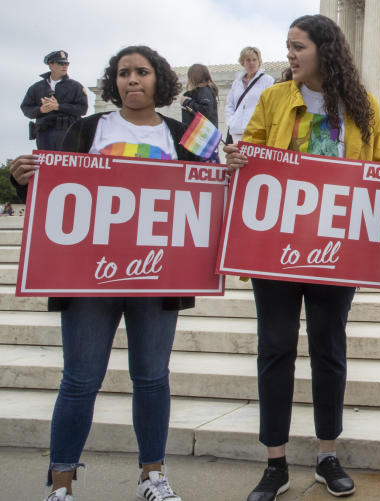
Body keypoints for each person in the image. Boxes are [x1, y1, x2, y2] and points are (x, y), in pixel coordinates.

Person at [10, 45, 198, 501]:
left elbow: (218, 182)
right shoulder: (88, 128)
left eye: (142, 72)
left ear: (160, 80)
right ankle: (61, 482)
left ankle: (152, 476)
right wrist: (24, 178)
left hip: (157, 277)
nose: (132, 80)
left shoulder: (186, 134)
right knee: (80, 380)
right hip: (91, 279)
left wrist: (232, 166)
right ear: (113, 82)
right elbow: (56, 189)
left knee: (152, 378)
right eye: (123, 73)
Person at [224, 14, 380, 500]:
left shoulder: (363, 106)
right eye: (288, 46)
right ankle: (274, 462)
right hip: (276, 247)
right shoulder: (275, 98)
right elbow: (251, 148)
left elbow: (377, 164)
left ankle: (326, 454)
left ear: (325, 49)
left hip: (334, 249)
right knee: (275, 349)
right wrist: (237, 157)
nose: (291, 55)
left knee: (329, 350)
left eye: (298, 46)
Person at [20, 50, 88, 150]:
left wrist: (58, 106)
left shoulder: (75, 86)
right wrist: (41, 110)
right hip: (44, 134)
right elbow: (26, 108)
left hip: (68, 132)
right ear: (50, 64)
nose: (64, 66)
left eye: (66, 64)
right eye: (60, 63)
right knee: (46, 164)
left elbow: (82, 109)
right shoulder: (36, 87)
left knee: (66, 164)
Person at [225, 46, 274, 144]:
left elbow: (270, 105)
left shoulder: (267, 81)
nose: (251, 63)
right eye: (248, 60)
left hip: (256, 132)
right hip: (237, 131)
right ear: (243, 62)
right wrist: (231, 121)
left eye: (254, 60)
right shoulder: (236, 82)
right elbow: (229, 104)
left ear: (259, 61)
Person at [180, 63, 221, 162]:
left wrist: (186, 102)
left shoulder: (204, 91)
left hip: (202, 139)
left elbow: (204, 111)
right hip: (201, 139)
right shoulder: (203, 91)